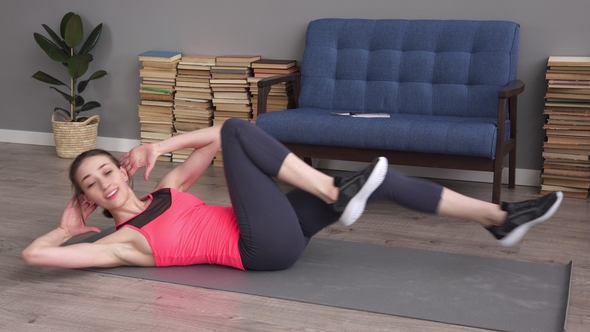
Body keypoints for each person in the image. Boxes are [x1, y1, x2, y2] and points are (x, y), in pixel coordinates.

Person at [22, 119, 563, 271]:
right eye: (91, 184)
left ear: (122, 167)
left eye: (106, 169)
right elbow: (35, 256)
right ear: (89, 198)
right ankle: (332, 188)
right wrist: (67, 230)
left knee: (378, 181)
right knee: (239, 131)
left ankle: (498, 215)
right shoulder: (125, 242)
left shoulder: (165, 189)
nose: (105, 181)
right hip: (261, 250)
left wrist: (159, 147)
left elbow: (210, 140)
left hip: (276, 223)